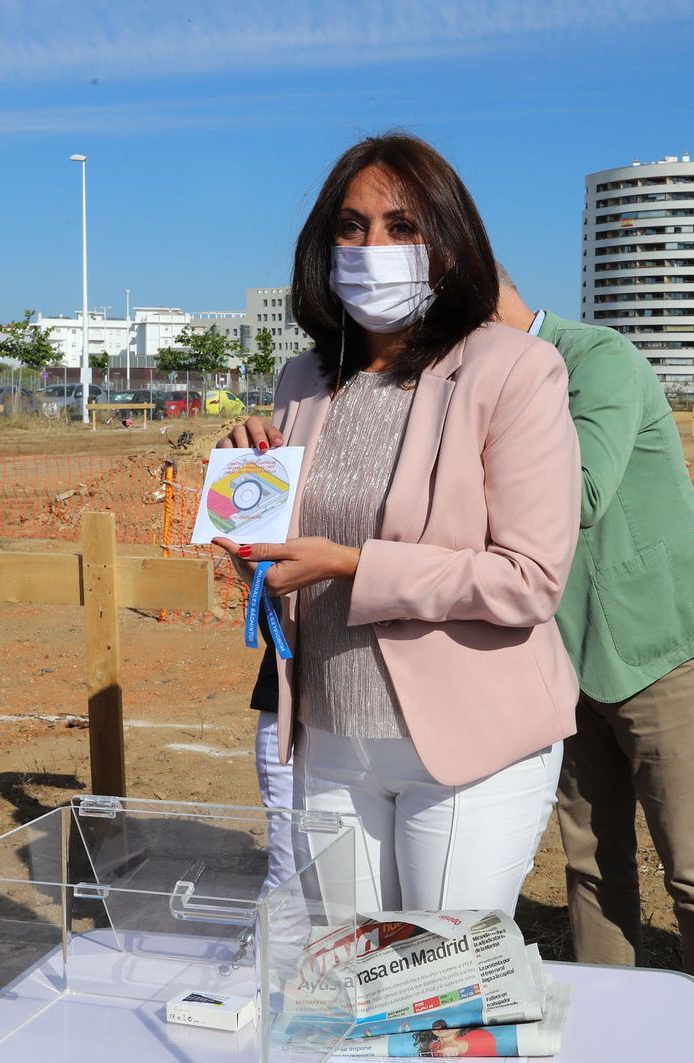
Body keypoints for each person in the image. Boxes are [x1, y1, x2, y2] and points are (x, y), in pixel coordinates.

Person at [215, 133, 581, 915]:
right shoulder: (305, 380)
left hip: (468, 745)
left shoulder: (513, 369)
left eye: (401, 226)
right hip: (329, 736)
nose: (371, 246)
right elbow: (280, 567)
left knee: (436, 988)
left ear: (448, 244)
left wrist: (351, 566)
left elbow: (529, 580)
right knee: (347, 974)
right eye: (351, 227)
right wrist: (249, 502)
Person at [495, 271, 694, 1063]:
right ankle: (611, 1037)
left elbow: (580, 491)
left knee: (692, 864)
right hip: (564, 657)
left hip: (661, 647)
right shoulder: (487, 382)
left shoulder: (596, 358)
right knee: (589, 859)